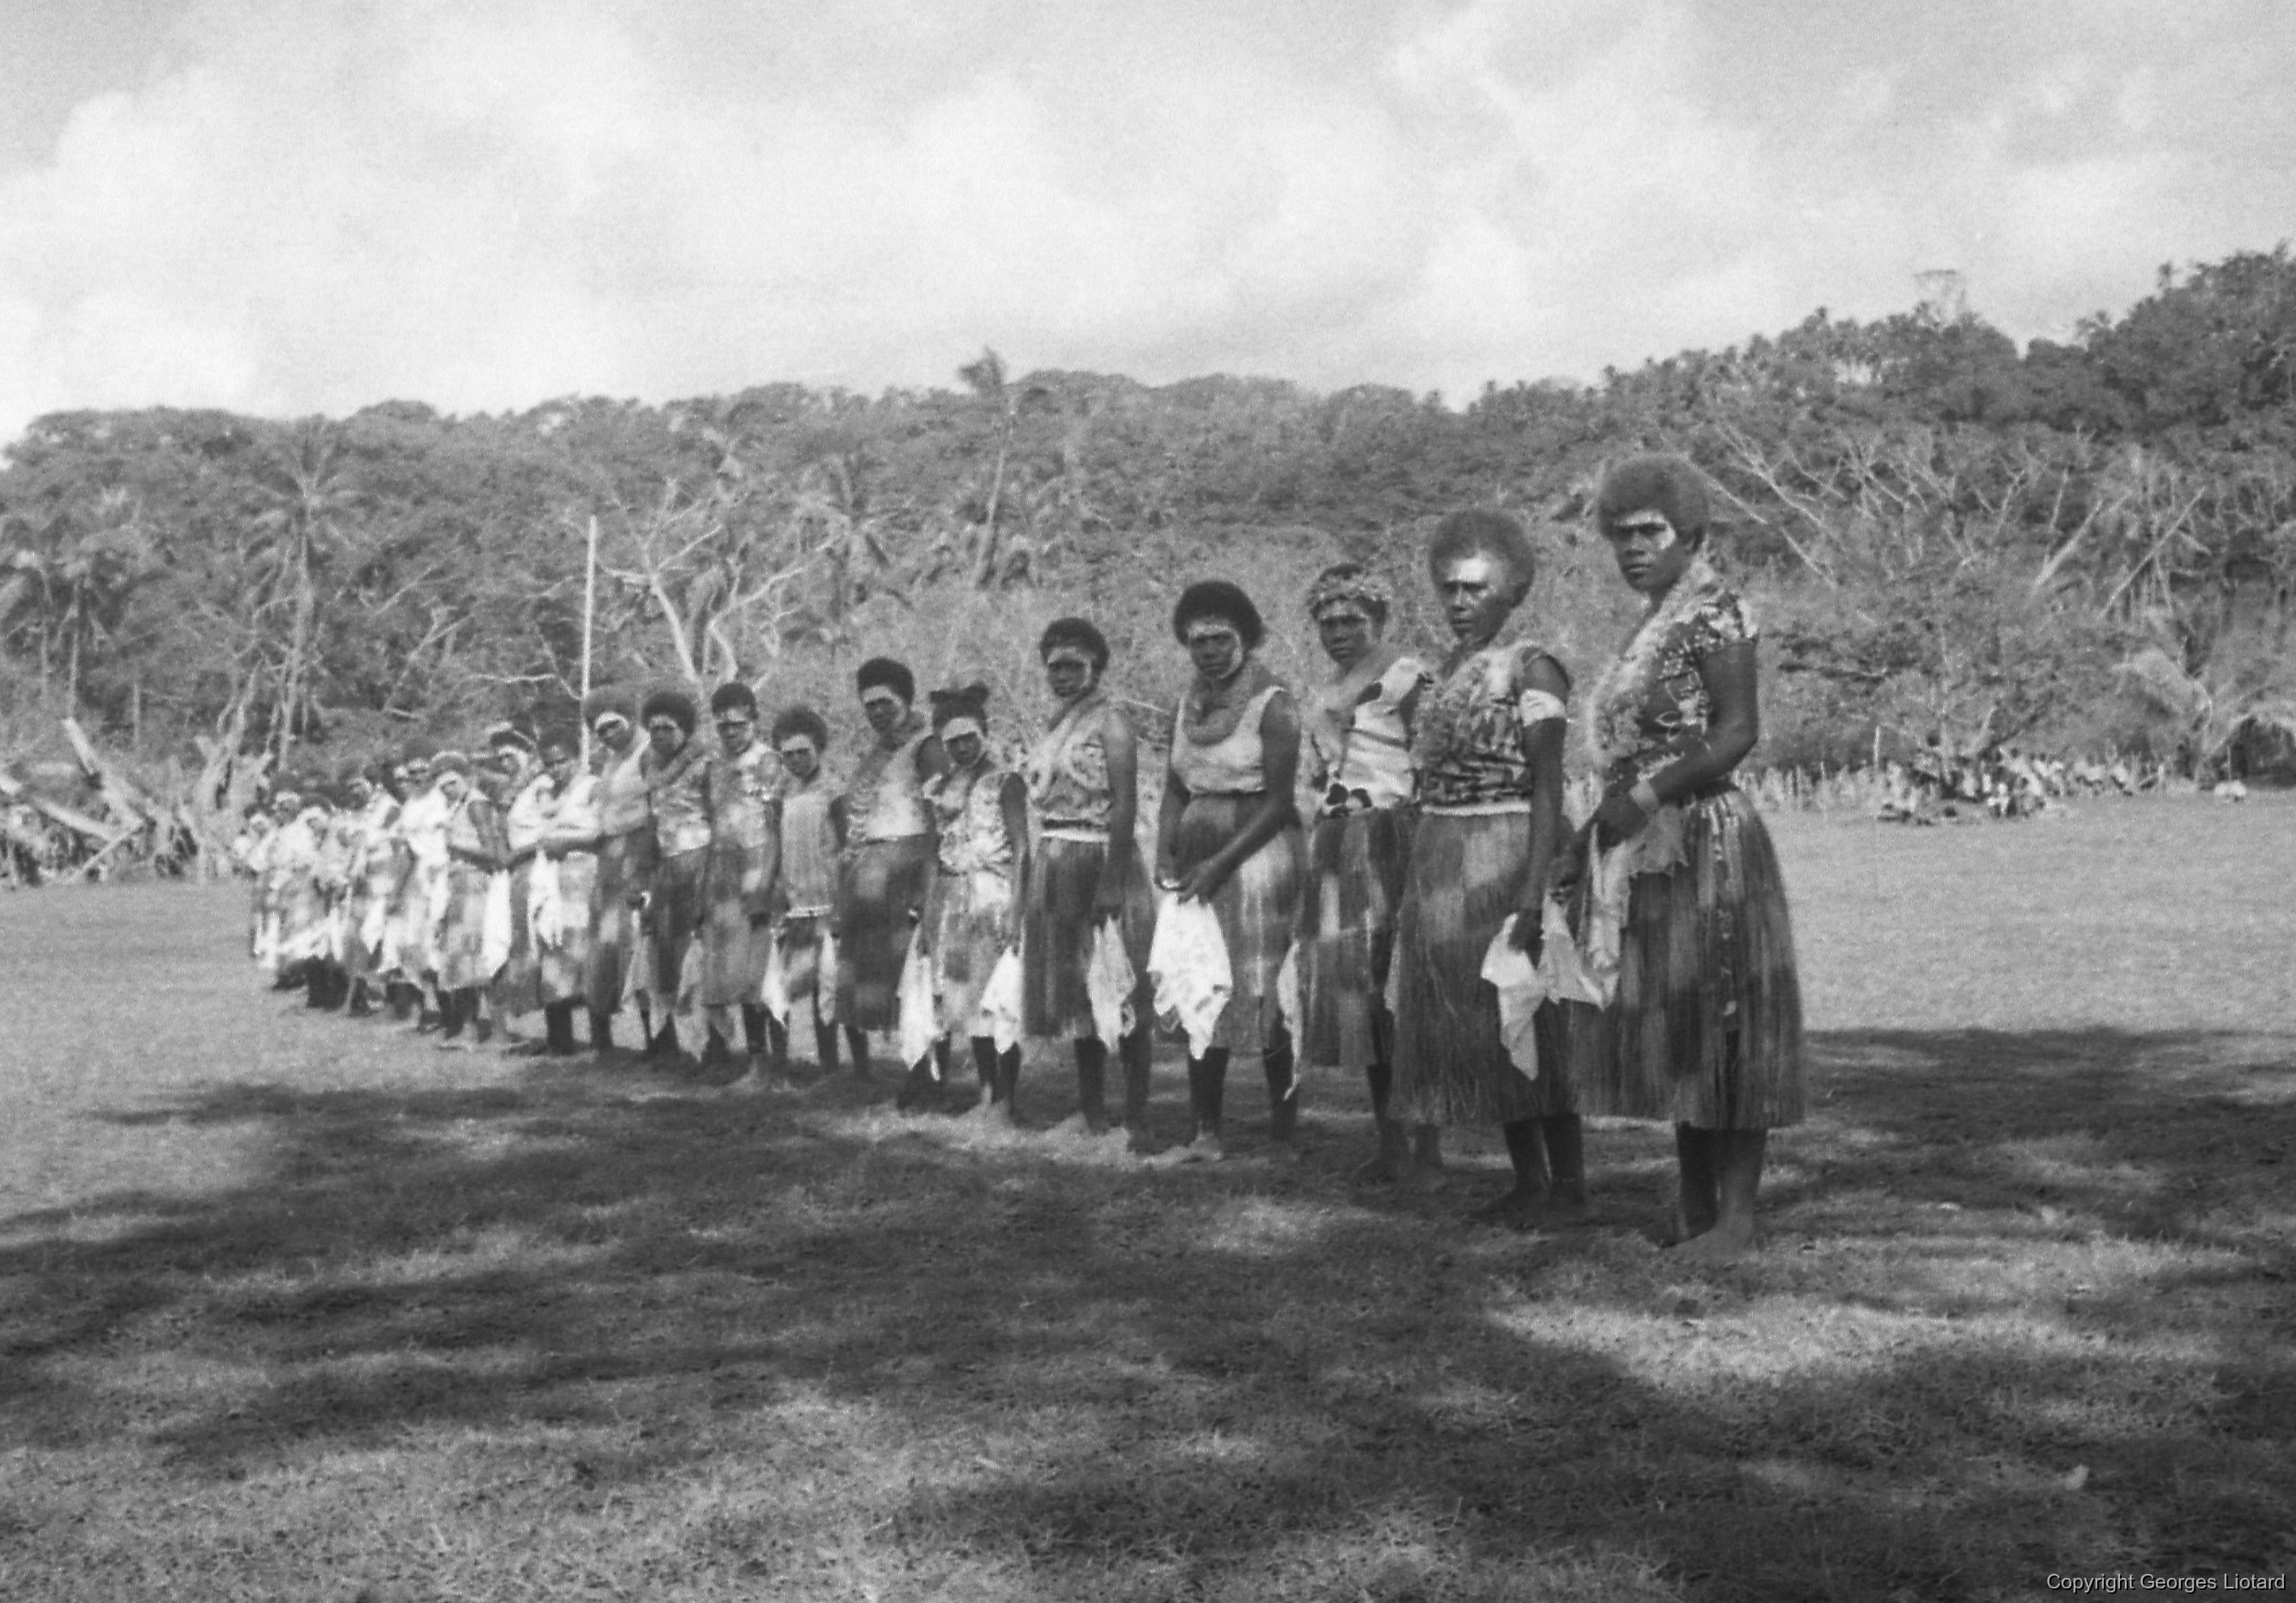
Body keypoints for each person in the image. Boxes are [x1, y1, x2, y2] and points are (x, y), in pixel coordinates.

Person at [1568, 454, 1805, 1261]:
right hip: (1649, 845)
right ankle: (1695, 1201)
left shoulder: (1717, 612)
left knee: (1727, 1022)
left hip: (1708, 840)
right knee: (1679, 1021)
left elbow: (1737, 732)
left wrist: (1644, 796)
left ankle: (1735, 1218)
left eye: (1649, 532)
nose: (1633, 548)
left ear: (1691, 535)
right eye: (1620, 535)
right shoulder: (1648, 626)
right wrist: (1595, 830)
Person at [1389, 510, 1583, 1229]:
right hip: (1443, 858)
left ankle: (1570, 1185)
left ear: (1511, 590)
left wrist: (1533, 891)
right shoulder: (1439, 675)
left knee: (1532, 1009)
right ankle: (1527, 1180)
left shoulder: (1532, 667)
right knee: (1481, 1018)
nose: (1460, 601)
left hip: (1509, 849)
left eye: (1476, 587)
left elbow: (1548, 785)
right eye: (1450, 588)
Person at [1293, 563, 1440, 1183]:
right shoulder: (1322, 691)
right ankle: (1390, 1142)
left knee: (1405, 992)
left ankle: (1428, 1148)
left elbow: (1432, 766)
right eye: (1327, 623)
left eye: (1350, 620)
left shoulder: (1408, 677)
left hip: (1396, 839)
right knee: (1364, 995)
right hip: (1338, 844)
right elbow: (1315, 778)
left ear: (1378, 618)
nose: (1338, 632)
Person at [1152, 581, 1304, 1162]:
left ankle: (1283, 1131)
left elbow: (1280, 802)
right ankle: (1205, 1131)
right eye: (1199, 641)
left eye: (1221, 638)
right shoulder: (1186, 705)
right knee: (1199, 978)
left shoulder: (1274, 704)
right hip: (1197, 857)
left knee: (1264, 985)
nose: (1210, 651)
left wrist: (1221, 862)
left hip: (1256, 855)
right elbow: (1174, 787)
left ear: (1246, 638)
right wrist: (1165, 848)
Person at [1020, 617, 1154, 1139]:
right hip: (1057, 860)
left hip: (1101, 856)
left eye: (1074, 666)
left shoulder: (1112, 720)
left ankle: (1136, 1116)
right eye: (1055, 667)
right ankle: (1092, 1112)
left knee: (1123, 982)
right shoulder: (1054, 725)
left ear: (1096, 668)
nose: (1064, 676)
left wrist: (1113, 879)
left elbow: (1125, 804)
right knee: (1076, 990)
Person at [906, 684, 1030, 1117]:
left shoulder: (1004, 781)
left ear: (984, 733)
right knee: (966, 1000)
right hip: (952, 898)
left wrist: (1017, 910)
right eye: (952, 741)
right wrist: (927, 911)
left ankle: (1006, 1098)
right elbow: (931, 853)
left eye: (968, 738)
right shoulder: (937, 788)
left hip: (994, 896)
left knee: (999, 997)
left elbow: (1022, 847)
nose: (961, 748)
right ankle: (986, 1091)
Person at [833, 658, 949, 1078]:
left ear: (906, 699)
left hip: (911, 870)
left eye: (886, 702)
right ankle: (899, 1073)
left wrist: (928, 885)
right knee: (881, 976)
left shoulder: (927, 746)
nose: (878, 712)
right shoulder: (874, 754)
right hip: (872, 873)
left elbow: (940, 820)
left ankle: (929, 1077)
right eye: (870, 705)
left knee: (915, 975)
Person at [697, 681, 780, 1076]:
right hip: (721, 873)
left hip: (757, 868)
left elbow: (775, 826)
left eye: (738, 724)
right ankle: (721, 1053)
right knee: (719, 966)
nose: (730, 732)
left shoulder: (769, 762)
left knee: (757, 969)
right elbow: (712, 822)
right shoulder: (713, 767)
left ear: (754, 720)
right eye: (723, 726)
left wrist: (766, 884)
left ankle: (764, 1060)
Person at [761, 706, 843, 1085]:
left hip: (827, 898)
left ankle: (833, 1069)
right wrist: (769, 889)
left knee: (827, 985)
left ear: (819, 748)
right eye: (788, 755)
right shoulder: (781, 792)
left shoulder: (834, 788)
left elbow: (845, 844)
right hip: (793, 900)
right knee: (780, 983)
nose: (796, 760)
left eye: (803, 752)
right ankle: (778, 1065)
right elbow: (774, 845)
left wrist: (841, 901)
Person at [636, 687, 713, 1061]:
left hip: (699, 861)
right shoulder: (647, 764)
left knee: (697, 955)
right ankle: (674, 1046)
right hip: (666, 868)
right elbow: (653, 819)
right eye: (653, 729)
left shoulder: (705, 762)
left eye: (668, 728)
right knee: (665, 956)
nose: (660, 736)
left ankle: (711, 1049)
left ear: (685, 728)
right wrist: (647, 874)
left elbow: (716, 816)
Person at [581, 688, 653, 1057]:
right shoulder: (611, 761)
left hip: (639, 852)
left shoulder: (648, 753)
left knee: (637, 944)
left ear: (630, 718)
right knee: (604, 947)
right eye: (601, 731)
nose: (609, 735)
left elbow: (655, 811)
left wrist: (643, 869)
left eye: (614, 726)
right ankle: (602, 1040)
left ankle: (659, 1042)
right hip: (609, 858)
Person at [431, 752, 506, 1048]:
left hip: (475, 883)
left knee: (478, 956)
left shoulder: (476, 804)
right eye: (442, 786)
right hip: (460, 883)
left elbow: (493, 853)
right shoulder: (459, 805)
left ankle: (493, 1031)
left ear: (467, 778)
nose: (448, 790)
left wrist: (457, 847)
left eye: (452, 783)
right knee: (462, 959)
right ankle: (471, 1029)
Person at [530, 726, 593, 1056]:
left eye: (562, 761)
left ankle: (601, 1040)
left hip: (581, 875)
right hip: (552, 879)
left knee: (582, 955)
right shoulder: (549, 795)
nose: (556, 769)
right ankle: (559, 1039)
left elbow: (601, 830)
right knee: (552, 951)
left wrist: (566, 841)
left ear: (577, 758)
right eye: (549, 764)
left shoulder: (591, 787)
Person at [488, 726, 551, 1039]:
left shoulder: (542, 785)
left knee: (539, 938)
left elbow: (548, 828)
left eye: (510, 756)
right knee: (517, 942)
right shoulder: (507, 792)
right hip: (514, 870)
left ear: (527, 754)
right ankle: (526, 1024)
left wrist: (515, 854)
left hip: (538, 866)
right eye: (500, 759)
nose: (505, 763)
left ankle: (554, 1028)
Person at [386, 739, 452, 1027]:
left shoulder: (443, 799)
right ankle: (424, 1009)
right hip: (416, 878)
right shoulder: (411, 804)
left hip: (441, 874)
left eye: (423, 771)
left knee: (437, 944)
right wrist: (397, 889)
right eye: (412, 773)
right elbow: (407, 850)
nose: (418, 777)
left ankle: (451, 1015)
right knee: (414, 944)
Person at [337, 765, 402, 1016]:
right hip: (360, 883)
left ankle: (385, 999)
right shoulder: (353, 812)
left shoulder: (389, 808)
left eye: (358, 784)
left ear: (373, 783)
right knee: (355, 939)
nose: (354, 791)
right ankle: (359, 998)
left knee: (377, 939)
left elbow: (389, 841)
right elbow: (346, 838)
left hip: (383, 880)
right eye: (350, 787)